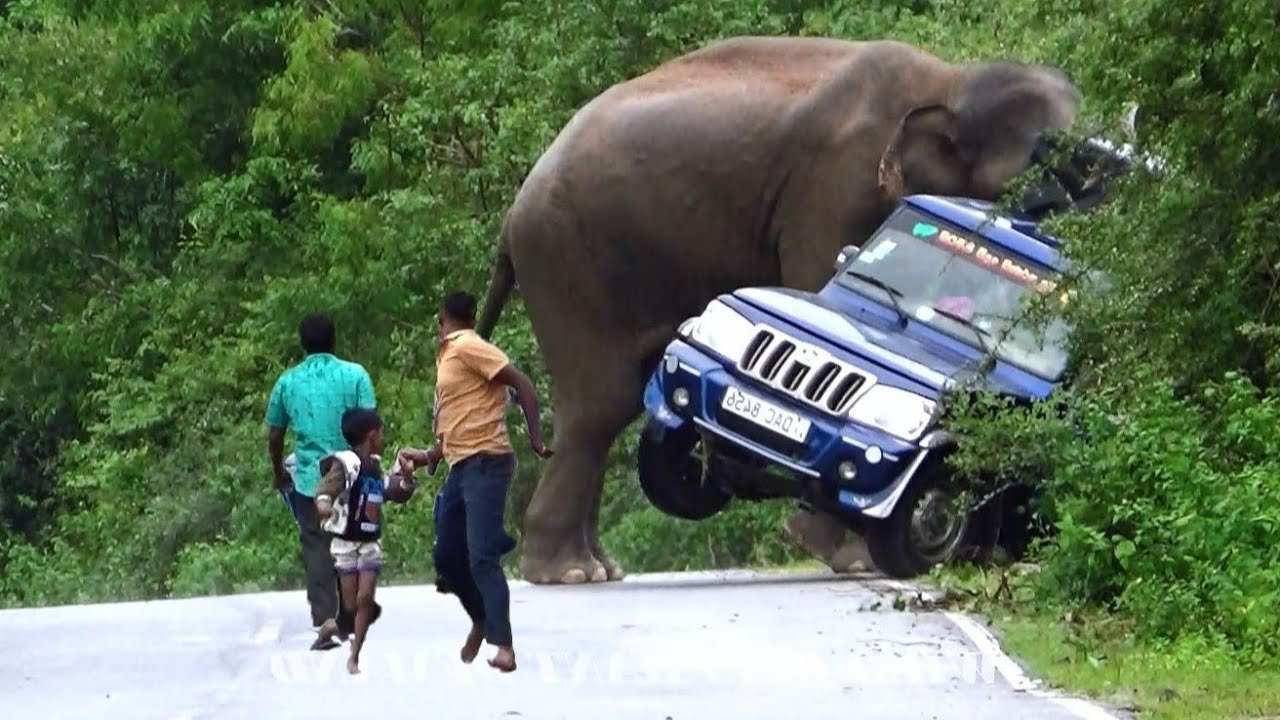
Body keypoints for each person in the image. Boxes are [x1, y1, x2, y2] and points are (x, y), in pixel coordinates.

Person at [408, 290, 553, 674]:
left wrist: (536, 439)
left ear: (442, 319)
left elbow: (521, 383)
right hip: (461, 465)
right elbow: (457, 417)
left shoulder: (469, 346)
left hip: (486, 462)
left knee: (481, 558)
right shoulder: (450, 354)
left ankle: (504, 646)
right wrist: (428, 455)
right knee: (447, 557)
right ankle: (482, 616)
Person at [266, 312, 377, 637]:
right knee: (352, 541)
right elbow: (370, 424)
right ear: (333, 340)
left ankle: (325, 617)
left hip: (308, 479)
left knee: (316, 544)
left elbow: (275, 435)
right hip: (349, 472)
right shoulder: (355, 375)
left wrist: (278, 472)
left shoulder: (288, 382)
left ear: (303, 344)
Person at [313, 407, 421, 674]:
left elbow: (393, 491)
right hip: (347, 543)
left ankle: (355, 655)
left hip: (370, 542)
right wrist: (324, 504)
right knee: (350, 609)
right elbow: (328, 487)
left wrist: (407, 478)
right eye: (381, 433)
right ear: (372, 435)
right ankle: (331, 628)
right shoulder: (346, 464)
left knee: (364, 598)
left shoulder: (374, 467)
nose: (383, 438)